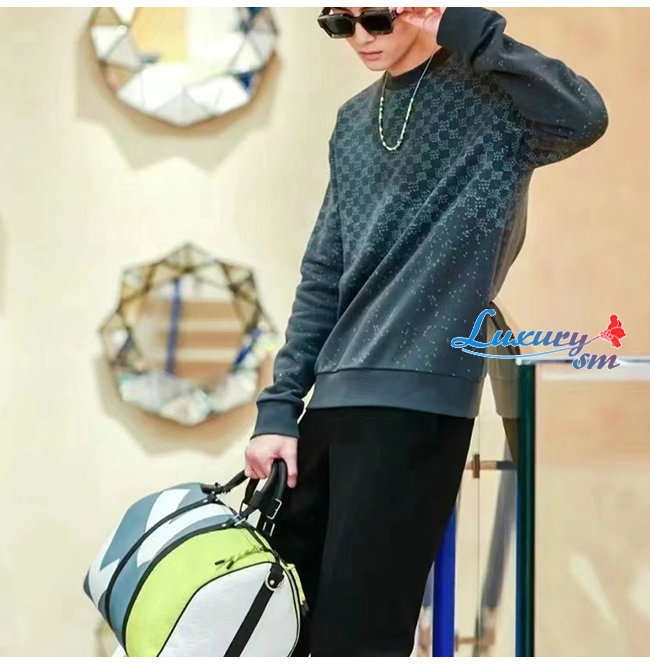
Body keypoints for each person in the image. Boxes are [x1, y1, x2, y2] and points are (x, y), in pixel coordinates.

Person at [244, 6, 608, 656]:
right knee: (281, 635)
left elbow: (584, 116)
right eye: (339, 24)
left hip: (418, 403)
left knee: (357, 640)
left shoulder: (495, 97)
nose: (359, 38)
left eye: (376, 19)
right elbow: (325, 271)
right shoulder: (352, 120)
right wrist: (278, 409)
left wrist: (465, 28)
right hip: (330, 403)